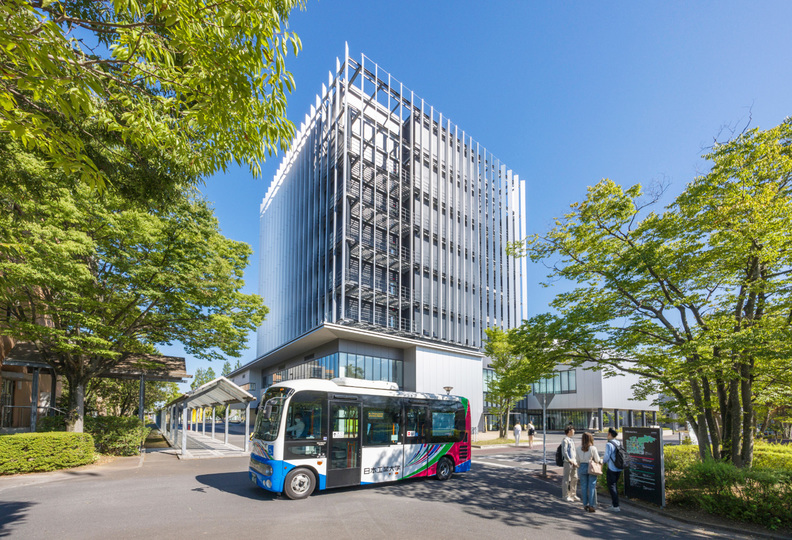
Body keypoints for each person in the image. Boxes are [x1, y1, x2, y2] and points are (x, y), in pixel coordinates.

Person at [576, 432, 602, 513]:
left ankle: (585, 504)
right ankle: (592, 505)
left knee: (583, 486)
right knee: (592, 486)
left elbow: (577, 460)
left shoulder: (578, 448)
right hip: (591, 467)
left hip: (582, 467)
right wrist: (601, 460)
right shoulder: (593, 448)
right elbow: (597, 460)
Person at [603, 427, 623, 512]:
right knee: (615, 486)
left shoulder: (609, 444)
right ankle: (615, 504)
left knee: (612, 486)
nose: (607, 435)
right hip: (619, 467)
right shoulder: (619, 442)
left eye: (608, 433)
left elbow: (607, 456)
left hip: (612, 468)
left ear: (610, 434)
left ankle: (615, 506)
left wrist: (602, 462)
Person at [561, 426, 579, 502]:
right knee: (566, 479)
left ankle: (573, 494)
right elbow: (564, 452)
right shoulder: (565, 440)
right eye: (573, 430)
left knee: (574, 478)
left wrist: (575, 460)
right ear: (569, 431)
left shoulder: (571, 440)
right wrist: (569, 460)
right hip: (568, 462)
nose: (574, 431)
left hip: (574, 462)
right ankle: (565, 495)